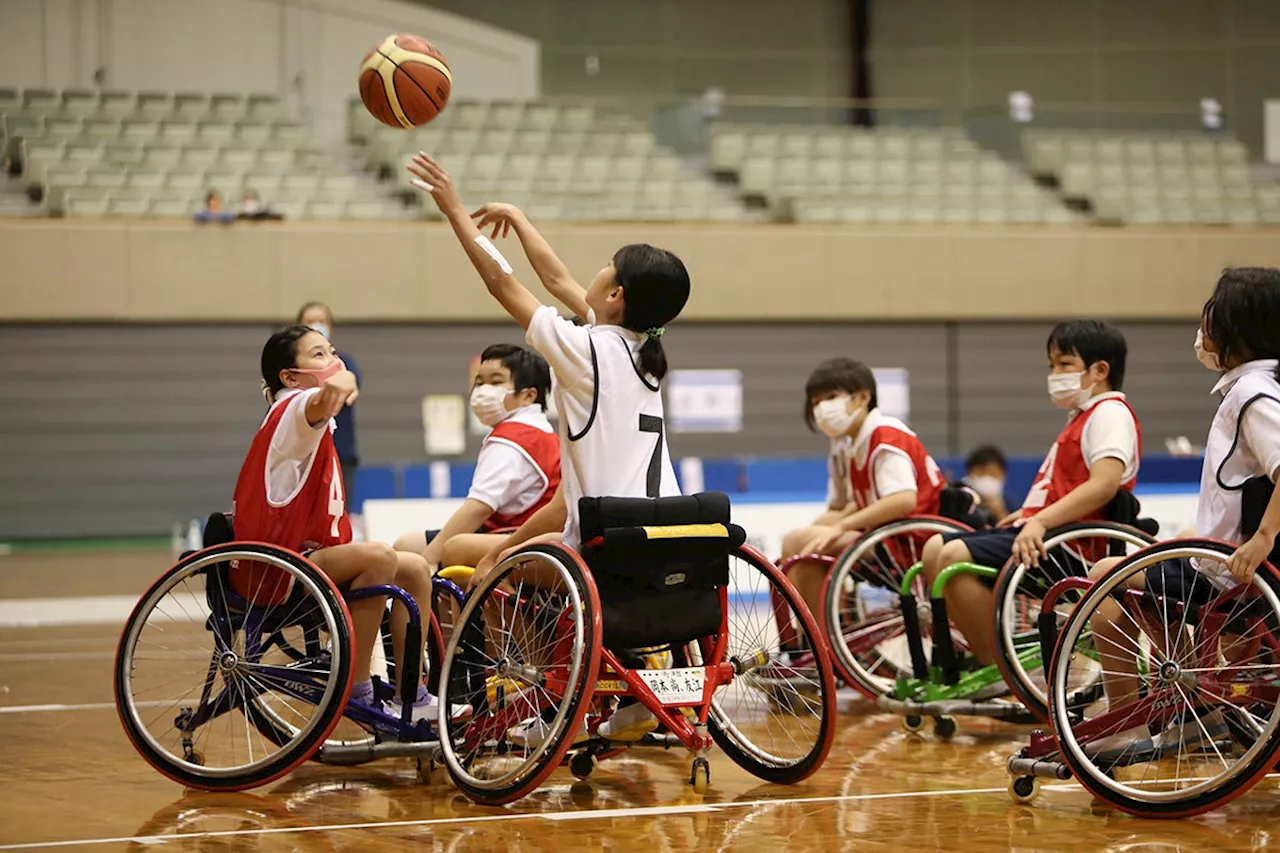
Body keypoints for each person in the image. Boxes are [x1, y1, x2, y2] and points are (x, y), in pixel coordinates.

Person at [407, 151, 689, 743]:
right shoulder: (646, 354)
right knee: (506, 549)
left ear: (614, 295)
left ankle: (547, 697)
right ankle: (624, 683)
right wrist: (519, 216)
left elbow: (502, 281)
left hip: (604, 553)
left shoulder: (583, 351)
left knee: (482, 565)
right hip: (668, 544)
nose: (588, 275)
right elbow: (559, 278)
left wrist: (453, 208)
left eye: (605, 269)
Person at [1087, 268, 1280, 754]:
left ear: (1236, 326)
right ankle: (1199, 699)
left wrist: (1263, 539)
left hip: (1237, 575)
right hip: (1227, 565)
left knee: (1105, 581)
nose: (1202, 325)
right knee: (1148, 571)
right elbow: (1240, 496)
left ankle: (1128, 723)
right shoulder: (1259, 388)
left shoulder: (1254, 395)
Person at [233, 324, 460, 722]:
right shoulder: (293, 411)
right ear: (289, 377)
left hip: (306, 562)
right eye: (319, 354)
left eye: (333, 351)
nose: (333, 361)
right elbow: (324, 399)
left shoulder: (307, 419)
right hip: (277, 570)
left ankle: (413, 696)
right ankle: (357, 689)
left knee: (415, 568)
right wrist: (345, 378)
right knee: (378, 557)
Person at [918, 320, 1141, 682]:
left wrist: (1039, 521)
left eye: (1064, 364)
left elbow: (1103, 486)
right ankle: (990, 659)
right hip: (1051, 534)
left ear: (1100, 370)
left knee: (950, 556)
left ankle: (999, 667)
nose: (1054, 374)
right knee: (933, 550)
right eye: (1051, 365)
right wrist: (1028, 513)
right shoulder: (1083, 419)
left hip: (1072, 546)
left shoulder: (1110, 414)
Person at [779, 357, 946, 624]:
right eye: (815, 402)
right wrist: (832, 524)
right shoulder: (854, 443)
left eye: (831, 397)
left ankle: (824, 645)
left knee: (804, 544)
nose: (822, 408)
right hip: (888, 535)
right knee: (798, 542)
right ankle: (816, 638)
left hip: (912, 541)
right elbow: (863, 501)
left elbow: (903, 500)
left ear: (863, 397)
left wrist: (841, 526)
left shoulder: (886, 436)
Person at [393, 343, 560, 572]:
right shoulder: (540, 430)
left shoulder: (514, 438)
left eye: (496, 382)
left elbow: (479, 507)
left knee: (431, 555)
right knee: (407, 545)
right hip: (510, 531)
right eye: (479, 382)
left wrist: (429, 559)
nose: (482, 390)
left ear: (528, 396)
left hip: (522, 538)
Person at [296, 301, 361, 518]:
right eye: (310, 322)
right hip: (303, 457)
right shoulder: (294, 373)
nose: (316, 326)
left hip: (340, 455)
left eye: (321, 322)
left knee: (338, 516)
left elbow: (349, 383)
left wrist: (347, 379)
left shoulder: (346, 363)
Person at [963, 444, 1009, 520]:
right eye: (981, 472)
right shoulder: (959, 502)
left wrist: (1000, 514)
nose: (987, 478)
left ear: (1003, 475)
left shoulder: (1009, 504)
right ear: (968, 473)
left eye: (993, 473)